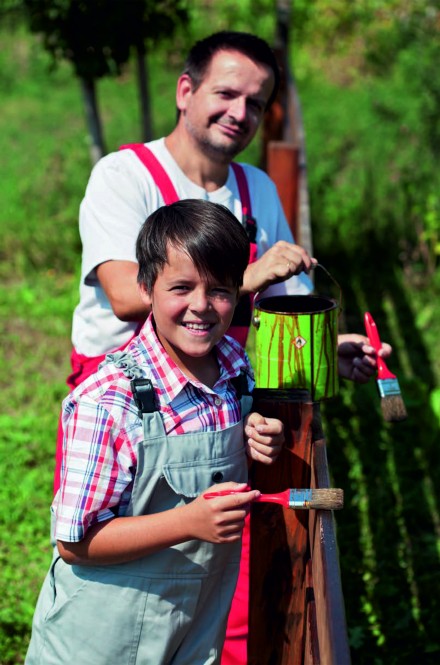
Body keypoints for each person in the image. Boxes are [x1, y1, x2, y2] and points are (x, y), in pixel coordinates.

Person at [55, 30, 391, 664]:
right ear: (186, 91)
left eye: (256, 103)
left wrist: (328, 349)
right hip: (135, 398)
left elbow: (279, 311)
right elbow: (127, 294)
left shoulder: (257, 189)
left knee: (221, 568)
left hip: (225, 392)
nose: (240, 113)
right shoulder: (125, 176)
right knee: (117, 554)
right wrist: (247, 275)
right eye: (226, 93)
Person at [26, 200, 287, 665]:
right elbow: (74, 542)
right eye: (181, 288)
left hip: (192, 628)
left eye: (220, 290)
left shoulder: (235, 372)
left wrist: (256, 432)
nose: (201, 306)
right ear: (146, 287)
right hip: (102, 640)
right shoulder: (108, 401)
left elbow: (219, 437)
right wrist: (187, 523)